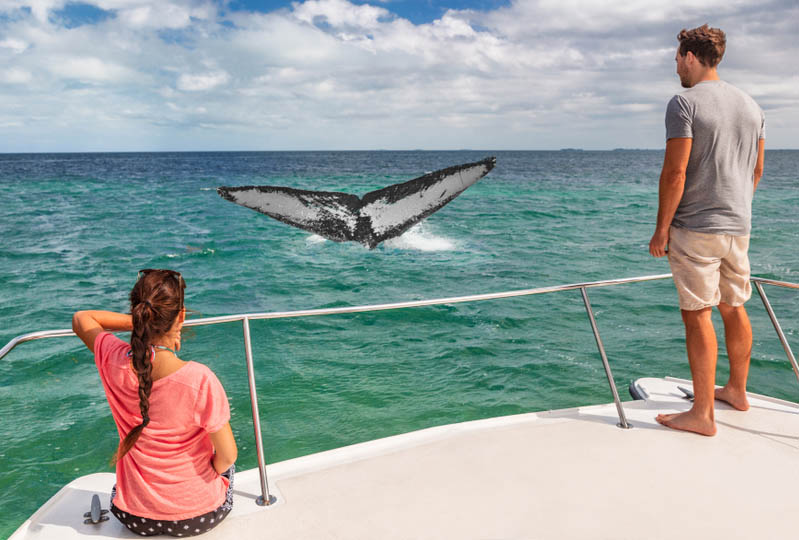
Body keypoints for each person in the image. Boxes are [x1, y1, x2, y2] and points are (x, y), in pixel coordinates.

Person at [649, 24, 765, 436]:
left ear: (691, 57)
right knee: (733, 307)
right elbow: (756, 170)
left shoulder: (684, 102)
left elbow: (675, 172)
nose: (676, 67)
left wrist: (661, 229)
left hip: (696, 227)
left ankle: (702, 415)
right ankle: (737, 391)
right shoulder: (751, 105)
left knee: (697, 314)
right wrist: (736, 208)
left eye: (677, 59)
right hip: (739, 226)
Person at [72, 269, 238, 536]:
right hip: (199, 515)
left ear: (138, 313)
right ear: (180, 316)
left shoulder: (112, 359)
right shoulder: (200, 379)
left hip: (134, 516)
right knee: (227, 464)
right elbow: (228, 456)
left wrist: (141, 324)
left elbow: (81, 319)